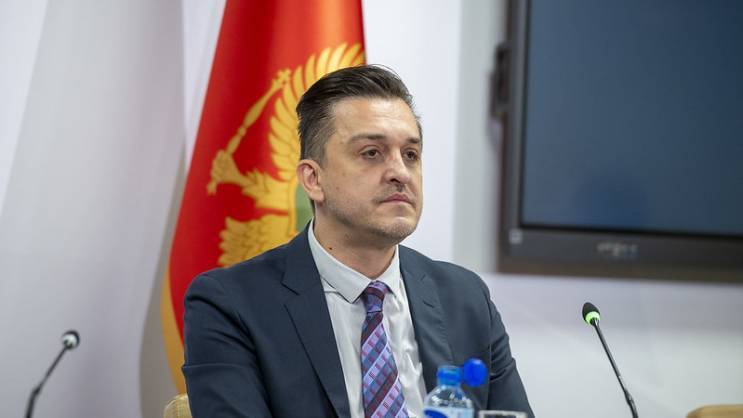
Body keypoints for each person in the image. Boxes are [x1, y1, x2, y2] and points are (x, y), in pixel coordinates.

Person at [183, 65, 534, 418]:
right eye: (371, 153)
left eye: (410, 155)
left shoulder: (464, 298)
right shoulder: (232, 304)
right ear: (313, 179)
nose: (400, 172)